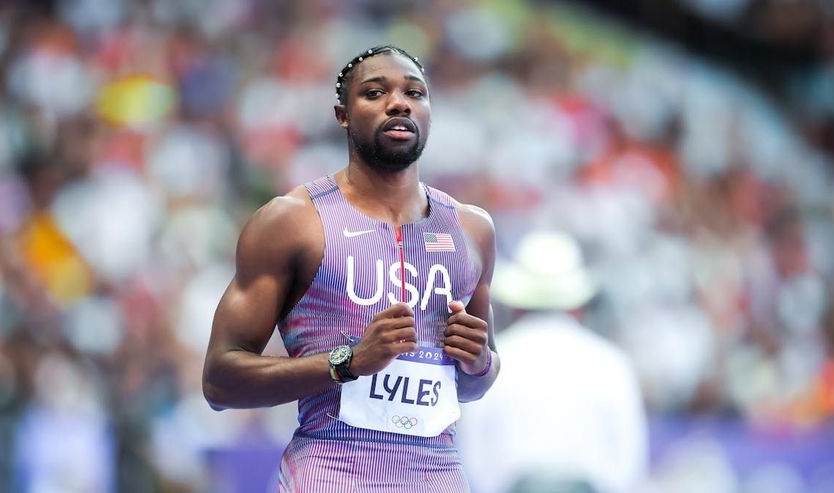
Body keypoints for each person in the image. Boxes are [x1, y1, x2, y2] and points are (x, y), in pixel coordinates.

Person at [202, 45, 499, 492]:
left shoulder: (472, 230)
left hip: (438, 478)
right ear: (342, 115)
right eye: (375, 93)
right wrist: (348, 362)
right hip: (330, 473)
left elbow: (474, 384)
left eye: (414, 93)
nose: (398, 103)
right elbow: (220, 383)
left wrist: (478, 362)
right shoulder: (293, 221)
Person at [456, 231, 647, 493]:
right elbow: (628, 463)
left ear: (517, 306)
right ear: (577, 306)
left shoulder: (490, 363)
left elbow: (472, 457)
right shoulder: (610, 363)